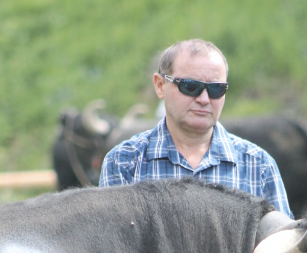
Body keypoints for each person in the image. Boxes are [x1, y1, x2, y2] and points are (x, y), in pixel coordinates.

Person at [99, 39, 293, 218]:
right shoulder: (124, 164)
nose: (204, 99)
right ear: (160, 85)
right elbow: (110, 249)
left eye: (216, 89)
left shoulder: (258, 166)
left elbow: (282, 246)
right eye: (190, 87)